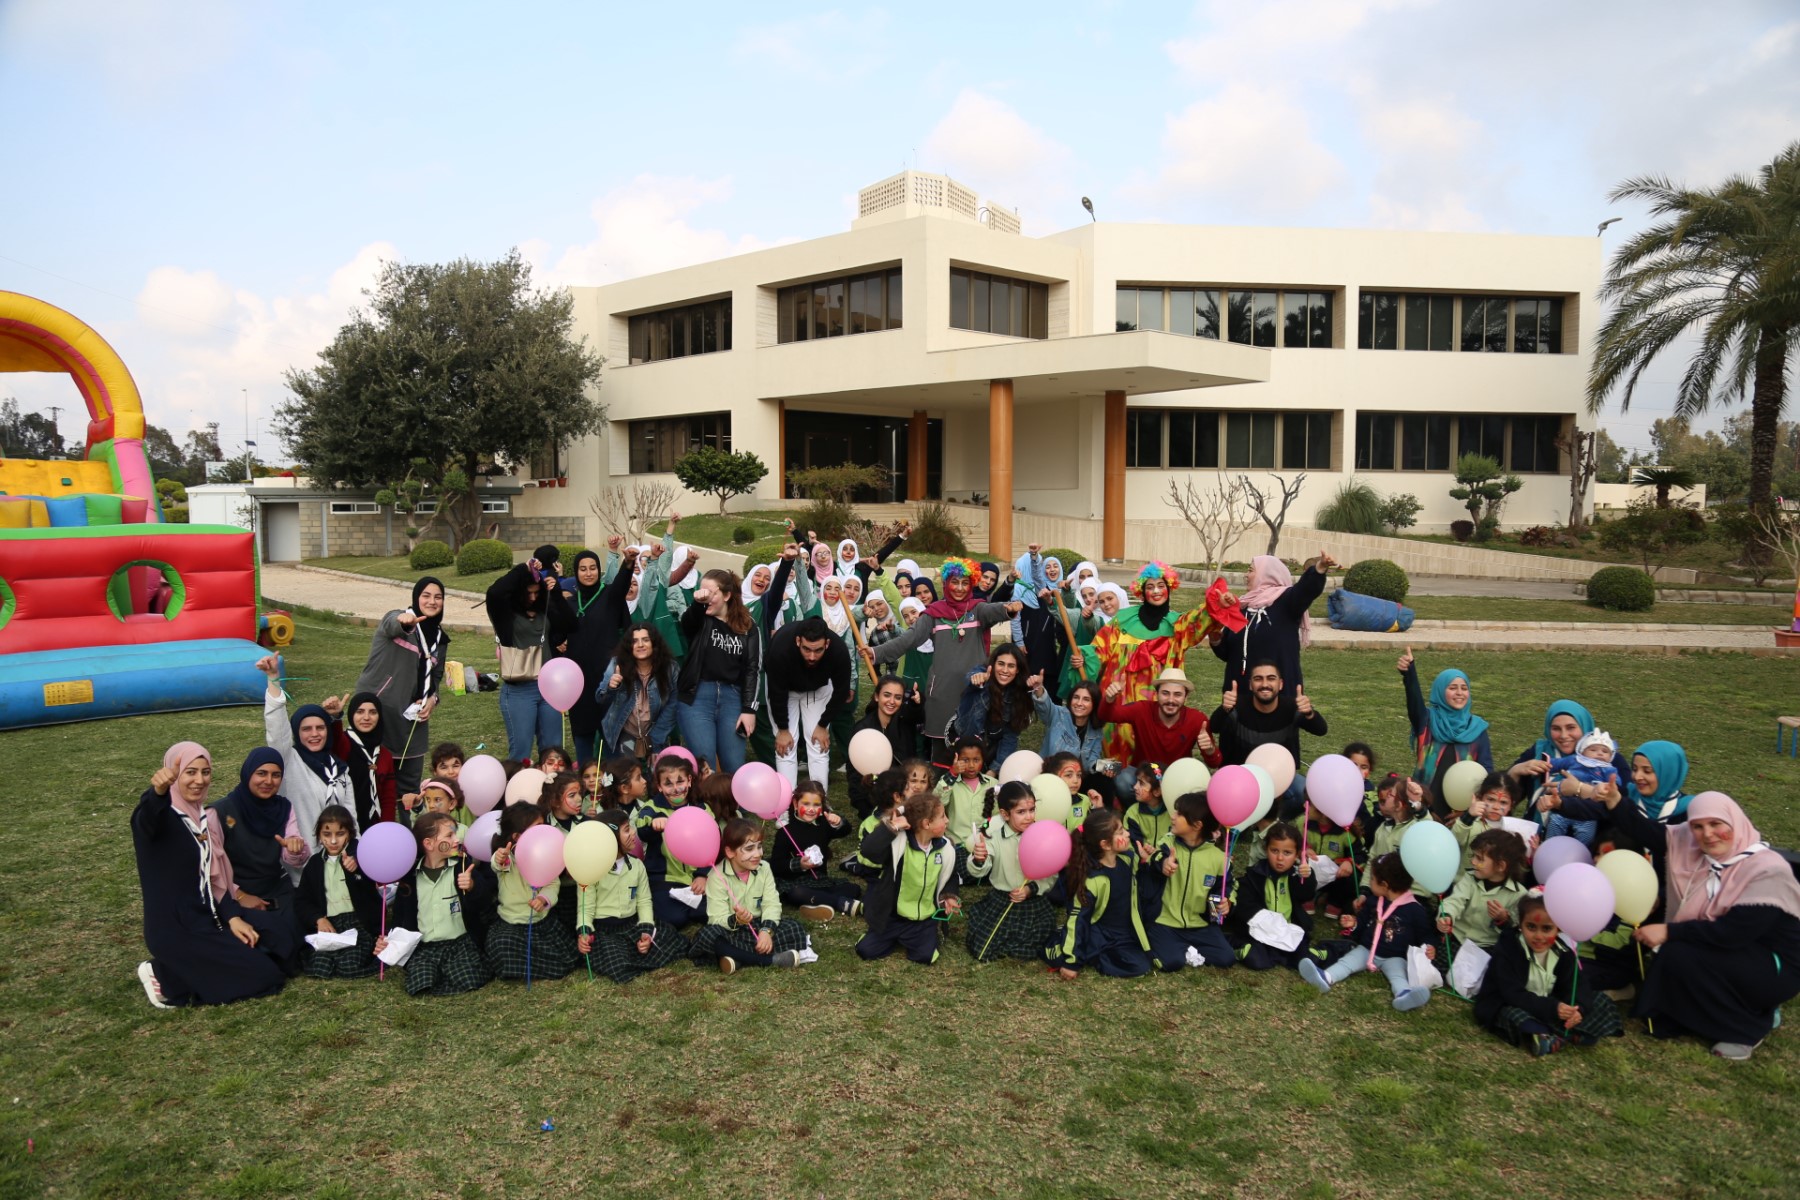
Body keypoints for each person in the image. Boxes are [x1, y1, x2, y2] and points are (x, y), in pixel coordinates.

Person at [1599, 789, 1800, 1060]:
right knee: (1675, 956)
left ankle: (1748, 1027)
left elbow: (1732, 934)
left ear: (1735, 823)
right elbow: (1647, 832)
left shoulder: (1767, 870)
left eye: (1717, 824)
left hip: (1776, 965)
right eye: (1698, 826)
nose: (1707, 834)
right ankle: (1689, 1016)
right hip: (1734, 948)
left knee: (1683, 953)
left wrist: (1669, 931)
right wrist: (1614, 802)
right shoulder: (1692, 847)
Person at [132, 742, 295, 1009]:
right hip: (179, 927)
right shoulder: (162, 817)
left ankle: (211, 964)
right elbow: (145, 821)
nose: (199, 780)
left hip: (211, 913)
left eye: (205, 772)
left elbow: (212, 878)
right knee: (267, 978)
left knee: (283, 938)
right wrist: (157, 792)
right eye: (190, 772)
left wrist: (232, 917)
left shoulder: (199, 817)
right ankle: (165, 976)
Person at [1072, 562, 1244, 765]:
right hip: (1122, 699)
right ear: (1142, 591)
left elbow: (1199, 620)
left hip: (1160, 704)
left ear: (1169, 588)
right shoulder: (1122, 621)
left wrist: (1219, 603)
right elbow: (1100, 648)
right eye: (1150, 587)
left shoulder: (1178, 626)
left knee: (1156, 751)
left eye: (1161, 586)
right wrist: (1084, 656)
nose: (1156, 591)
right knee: (1118, 751)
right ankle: (1119, 792)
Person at [866, 557, 1020, 766]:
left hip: (974, 692)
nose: (959, 587)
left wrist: (1008, 608)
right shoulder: (932, 615)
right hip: (942, 694)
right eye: (954, 582)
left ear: (971, 584)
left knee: (974, 752)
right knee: (942, 757)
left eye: (965, 583)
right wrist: (875, 652)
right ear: (946, 583)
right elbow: (907, 639)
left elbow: (995, 609)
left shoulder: (977, 609)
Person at [1475, 895, 1625, 1055]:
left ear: (1558, 928)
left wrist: (1577, 1010)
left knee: (1600, 1000)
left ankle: (1554, 1034)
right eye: (1531, 927)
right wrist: (1553, 1008)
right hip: (1514, 1002)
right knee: (1510, 1014)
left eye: (1546, 929)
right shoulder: (1508, 948)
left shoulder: (1563, 953)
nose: (1539, 936)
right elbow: (1512, 994)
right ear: (1520, 924)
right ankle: (1547, 1034)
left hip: (1549, 1003)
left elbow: (1577, 984)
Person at [1300, 852, 1435, 1011]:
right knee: (1347, 962)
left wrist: (1429, 946)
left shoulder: (1415, 910)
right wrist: (1353, 923)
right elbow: (1363, 922)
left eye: (1372, 879)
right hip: (1366, 949)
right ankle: (1326, 977)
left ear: (1384, 885)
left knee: (1398, 975)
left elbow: (1425, 933)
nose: (1369, 882)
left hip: (1395, 956)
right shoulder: (1373, 901)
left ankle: (1404, 995)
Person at [352, 576, 449, 793]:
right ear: (416, 598)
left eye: (438, 597)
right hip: (378, 714)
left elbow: (436, 677)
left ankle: (408, 826)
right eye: (426, 596)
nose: (432, 601)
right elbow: (392, 623)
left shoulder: (440, 640)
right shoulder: (398, 620)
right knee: (369, 785)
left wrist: (433, 699)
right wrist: (404, 621)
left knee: (409, 790)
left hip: (411, 722)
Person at [381, 812, 493, 997]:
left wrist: (473, 886)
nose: (457, 839)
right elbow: (401, 915)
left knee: (470, 980)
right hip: (425, 947)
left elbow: (483, 902)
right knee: (421, 983)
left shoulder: (462, 866)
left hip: (460, 944)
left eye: (456, 834)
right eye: (449, 836)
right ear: (429, 843)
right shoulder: (410, 876)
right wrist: (390, 940)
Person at [573, 809, 686, 984]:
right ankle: (627, 960)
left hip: (631, 924)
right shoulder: (591, 869)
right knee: (615, 959)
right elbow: (585, 907)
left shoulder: (637, 865)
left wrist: (646, 932)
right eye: (626, 829)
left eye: (631, 827)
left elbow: (644, 901)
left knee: (671, 937)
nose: (633, 833)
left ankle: (641, 950)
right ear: (610, 838)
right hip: (606, 931)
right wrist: (584, 932)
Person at [487, 548, 577, 764]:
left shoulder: (543, 610)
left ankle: (550, 794)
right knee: (521, 753)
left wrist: (554, 592)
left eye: (537, 592)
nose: (533, 597)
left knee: (553, 751)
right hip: (519, 689)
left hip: (548, 688)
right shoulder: (506, 616)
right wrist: (523, 569)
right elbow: (495, 593)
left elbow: (570, 624)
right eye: (528, 593)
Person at [259, 655, 352, 856]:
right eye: (306, 729)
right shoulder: (289, 761)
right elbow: (277, 731)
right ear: (296, 733)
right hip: (303, 863)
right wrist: (273, 679)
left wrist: (354, 851)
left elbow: (350, 816)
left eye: (320, 727)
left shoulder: (340, 770)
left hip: (340, 862)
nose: (314, 734)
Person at [1209, 660, 1328, 818]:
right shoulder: (1237, 706)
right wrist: (1224, 709)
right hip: (1242, 782)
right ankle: (1247, 820)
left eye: (1271, 678)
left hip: (1280, 779)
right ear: (1250, 685)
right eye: (1258, 679)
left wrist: (1309, 713)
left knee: (1303, 792)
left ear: (1280, 684)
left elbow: (1321, 730)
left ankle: (1273, 820)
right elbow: (1214, 727)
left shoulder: (1292, 707)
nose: (1265, 684)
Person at [676, 568, 767, 774]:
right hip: (697, 696)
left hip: (732, 698)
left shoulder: (748, 626)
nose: (704, 596)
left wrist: (749, 709)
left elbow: (753, 669)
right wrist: (698, 603)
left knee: (734, 765)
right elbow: (688, 622)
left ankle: (734, 807)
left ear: (726, 595)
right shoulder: (700, 618)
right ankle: (703, 807)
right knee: (704, 765)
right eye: (701, 591)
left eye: (711, 592)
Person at [695, 818, 814, 972]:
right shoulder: (716, 876)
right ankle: (768, 960)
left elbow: (771, 904)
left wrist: (766, 931)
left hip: (758, 925)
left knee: (793, 927)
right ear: (730, 852)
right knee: (709, 935)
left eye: (759, 847)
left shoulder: (764, 868)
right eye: (749, 848)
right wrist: (736, 919)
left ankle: (737, 959)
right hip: (731, 930)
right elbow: (716, 918)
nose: (758, 854)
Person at [855, 794, 961, 965]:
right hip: (893, 918)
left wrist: (949, 895)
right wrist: (891, 827)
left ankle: (927, 933)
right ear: (926, 824)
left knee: (925, 957)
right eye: (942, 816)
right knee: (866, 950)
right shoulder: (898, 843)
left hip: (923, 921)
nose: (947, 820)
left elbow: (951, 874)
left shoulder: (946, 848)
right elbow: (868, 850)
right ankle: (887, 936)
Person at [560, 543, 640, 764]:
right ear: (576, 572)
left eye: (593, 567)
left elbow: (621, 585)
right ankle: (586, 782)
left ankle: (615, 784)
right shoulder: (570, 602)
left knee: (612, 734)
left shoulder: (609, 596)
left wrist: (628, 563)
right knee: (583, 734)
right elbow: (557, 628)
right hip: (580, 681)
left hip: (608, 678)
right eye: (583, 569)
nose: (588, 573)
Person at [1050, 809, 1154, 979]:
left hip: (1126, 932)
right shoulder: (1093, 880)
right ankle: (1090, 955)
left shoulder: (1128, 859)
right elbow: (1078, 919)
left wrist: (1143, 861)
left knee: (1152, 957)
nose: (1128, 834)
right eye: (1121, 831)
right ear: (1105, 844)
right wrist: (1071, 962)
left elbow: (1140, 881)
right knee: (1138, 966)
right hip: (1102, 936)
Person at [210, 747, 307, 929]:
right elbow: (210, 868)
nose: (268, 781)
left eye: (276, 775)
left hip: (277, 889)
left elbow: (294, 858)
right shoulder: (220, 812)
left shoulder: (283, 808)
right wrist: (240, 895)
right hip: (234, 895)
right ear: (248, 773)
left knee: (301, 931)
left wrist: (295, 849)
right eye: (261, 773)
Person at [1212, 553, 1335, 696]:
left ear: (1267, 574)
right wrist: (1216, 640)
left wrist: (1319, 568)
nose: (1246, 575)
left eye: (1251, 570)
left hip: (1278, 697)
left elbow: (1306, 590)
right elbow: (1228, 653)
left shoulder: (1286, 601)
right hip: (1240, 697)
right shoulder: (1243, 606)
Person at [964, 782, 1059, 963]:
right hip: (1003, 899)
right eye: (1021, 812)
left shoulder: (1042, 834)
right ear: (1005, 814)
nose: (1029, 817)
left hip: (1033, 902)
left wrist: (1030, 889)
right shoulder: (993, 835)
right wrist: (979, 858)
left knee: (1038, 942)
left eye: (1032, 810)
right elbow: (978, 871)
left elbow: (1050, 873)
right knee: (981, 949)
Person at [1096, 668, 1223, 802]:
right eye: (1165, 693)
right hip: (1144, 775)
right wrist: (1109, 699)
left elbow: (1215, 763)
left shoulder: (1197, 719)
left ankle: (1174, 810)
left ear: (1186, 697)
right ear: (1157, 694)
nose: (1171, 700)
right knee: (1123, 779)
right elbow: (1106, 715)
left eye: (1177, 695)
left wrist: (1210, 750)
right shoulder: (1142, 710)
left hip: (1176, 777)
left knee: (1202, 784)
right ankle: (1138, 810)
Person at [484, 802, 579, 981]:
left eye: (544, 825)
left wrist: (544, 899)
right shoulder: (507, 856)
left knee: (565, 957)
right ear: (517, 836)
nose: (543, 831)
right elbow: (498, 864)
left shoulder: (546, 854)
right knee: (503, 945)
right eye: (537, 828)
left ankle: (538, 966)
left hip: (540, 922)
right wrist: (500, 858)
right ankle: (520, 968)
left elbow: (552, 884)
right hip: (511, 922)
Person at [1144, 791, 1236, 971]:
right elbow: (1154, 858)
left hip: (1199, 925)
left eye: (1179, 814)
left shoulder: (1219, 858)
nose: (1172, 816)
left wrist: (1226, 903)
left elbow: (1227, 887)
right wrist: (1163, 864)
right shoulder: (1168, 843)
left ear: (1197, 825)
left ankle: (1186, 947)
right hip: (1165, 921)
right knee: (1171, 962)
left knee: (1226, 958)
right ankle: (1177, 948)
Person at [765, 615, 855, 788]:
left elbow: (841, 691)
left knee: (819, 745)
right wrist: (783, 729)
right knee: (786, 747)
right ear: (798, 641)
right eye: (807, 649)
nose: (812, 656)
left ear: (827, 644)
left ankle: (820, 803)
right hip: (785, 691)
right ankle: (786, 807)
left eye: (818, 650)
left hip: (818, 689)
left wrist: (823, 725)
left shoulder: (838, 650)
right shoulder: (780, 649)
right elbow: (776, 693)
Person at [294, 804, 382, 979]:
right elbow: (302, 900)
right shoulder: (314, 864)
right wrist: (318, 919)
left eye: (340, 834)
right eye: (327, 834)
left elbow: (372, 891)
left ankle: (376, 958)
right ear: (319, 835)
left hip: (357, 923)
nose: (333, 841)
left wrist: (358, 870)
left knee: (348, 966)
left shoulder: (361, 856)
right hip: (330, 925)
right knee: (320, 967)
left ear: (349, 833)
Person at [1396, 648, 1492, 802]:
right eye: (1452, 688)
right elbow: (1414, 700)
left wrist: (1468, 811)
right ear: (1440, 691)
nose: (1459, 693)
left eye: (1464, 688)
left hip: (1461, 810)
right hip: (1423, 804)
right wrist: (1409, 673)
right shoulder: (1427, 720)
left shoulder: (1477, 728)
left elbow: (1486, 772)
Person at [1224, 822, 1317, 970]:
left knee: (1303, 957)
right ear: (1266, 850)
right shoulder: (1253, 874)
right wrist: (1266, 922)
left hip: (1288, 930)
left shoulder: (1297, 874)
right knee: (1258, 961)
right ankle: (1238, 947)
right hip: (1259, 932)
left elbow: (1306, 895)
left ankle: (1319, 954)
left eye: (1287, 853)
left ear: (1297, 854)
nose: (1280, 858)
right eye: (1274, 851)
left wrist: (1306, 878)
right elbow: (1245, 905)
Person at [770, 782, 861, 919]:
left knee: (854, 889)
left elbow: (845, 831)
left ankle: (817, 901)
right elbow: (776, 865)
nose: (811, 809)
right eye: (805, 804)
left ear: (822, 806)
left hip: (819, 880)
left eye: (816, 805)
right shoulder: (785, 832)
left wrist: (839, 822)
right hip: (795, 882)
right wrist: (799, 864)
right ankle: (839, 902)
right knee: (796, 893)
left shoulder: (823, 825)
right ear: (795, 804)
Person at [594, 622, 680, 765]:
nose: (640, 645)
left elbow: (674, 705)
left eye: (645, 640)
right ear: (629, 646)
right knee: (629, 775)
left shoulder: (670, 668)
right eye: (635, 641)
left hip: (657, 731)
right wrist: (611, 686)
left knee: (656, 777)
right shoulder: (617, 664)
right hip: (624, 732)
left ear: (654, 643)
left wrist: (656, 739)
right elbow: (600, 698)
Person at [1436, 828, 1529, 956]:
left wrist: (1503, 919)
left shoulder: (1519, 894)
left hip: (1486, 949)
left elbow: (1516, 929)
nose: (1473, 861)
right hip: (1455, 940)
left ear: (1501, 866)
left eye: (1480, 858)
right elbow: (1455, 900)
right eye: (1473, 856)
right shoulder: (1469, 878)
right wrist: (1446, 916)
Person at [848, 675, 924, 818]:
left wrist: (916, 704)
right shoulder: (862, 730)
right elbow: (854, 775)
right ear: (877, 697)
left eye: (898, 697)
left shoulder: (905, 723)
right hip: (873, 800)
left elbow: (916, 715)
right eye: (887, 695)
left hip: (904, 796)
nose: (891, 701)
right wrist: (865, 809)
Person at [952, 644, 1035, 769]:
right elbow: (971, 677)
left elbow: (1010, 737)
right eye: (1001, 664)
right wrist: (977, 679)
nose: (1005, 670)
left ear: (1018, 669)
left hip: (991, 751)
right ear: (993, 664)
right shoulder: (982, 675)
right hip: (963, 743)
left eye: (1011, 666)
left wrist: (994, 770)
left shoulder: (1018, 695)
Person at [332, 691, 397, 829]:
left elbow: (388, 797)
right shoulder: (345, 743)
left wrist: (385, 827)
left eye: (373, 712)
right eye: (360, 712)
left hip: (375, 824)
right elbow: (335, 740)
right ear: (351, 715)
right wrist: (336, 717)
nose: (366, 717)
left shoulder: (384, 754)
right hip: (346, 824)